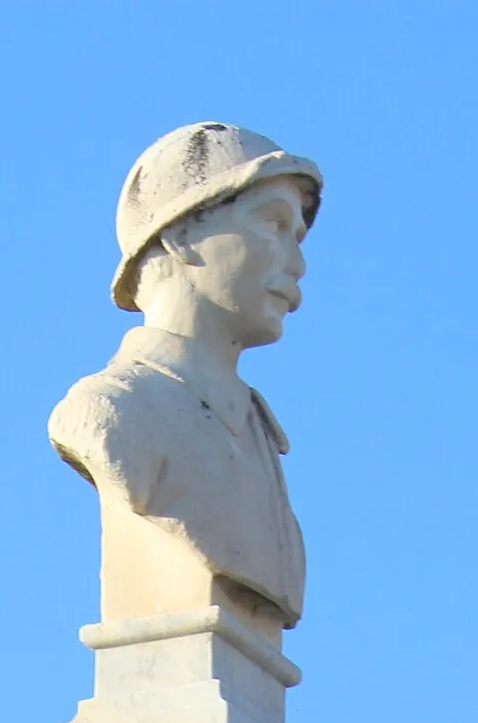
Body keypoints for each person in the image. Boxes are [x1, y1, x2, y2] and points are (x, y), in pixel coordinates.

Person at [49, 122, 322, 634]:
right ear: (181, 234)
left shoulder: (260, 437)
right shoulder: (115, 409)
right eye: (273, 224)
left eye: (299, 236)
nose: (298, 263)